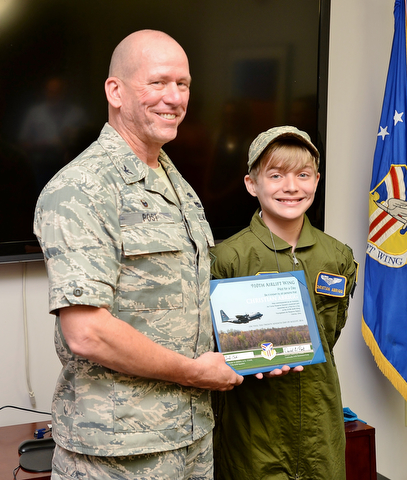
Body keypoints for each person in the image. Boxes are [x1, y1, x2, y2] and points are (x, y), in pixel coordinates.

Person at [34, 30, 243, 480]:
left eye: (183, 84)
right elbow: (87, 332)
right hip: (118, 452)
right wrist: (195, 373)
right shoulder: (81, 189)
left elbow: (182, 300)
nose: (174, 98)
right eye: (158, 82)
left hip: (190, 436)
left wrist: (256, 346)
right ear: (116, 91)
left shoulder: (174, 180)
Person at [211, 126, 358, 480]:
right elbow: (214, 346)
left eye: (303, 175)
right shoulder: (227, 258)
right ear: (251, 184)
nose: (291, 187)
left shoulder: (337, 256)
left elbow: (330, 332)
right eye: (276, 175)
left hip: (320, 426)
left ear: (316, 181)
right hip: (252, 428)